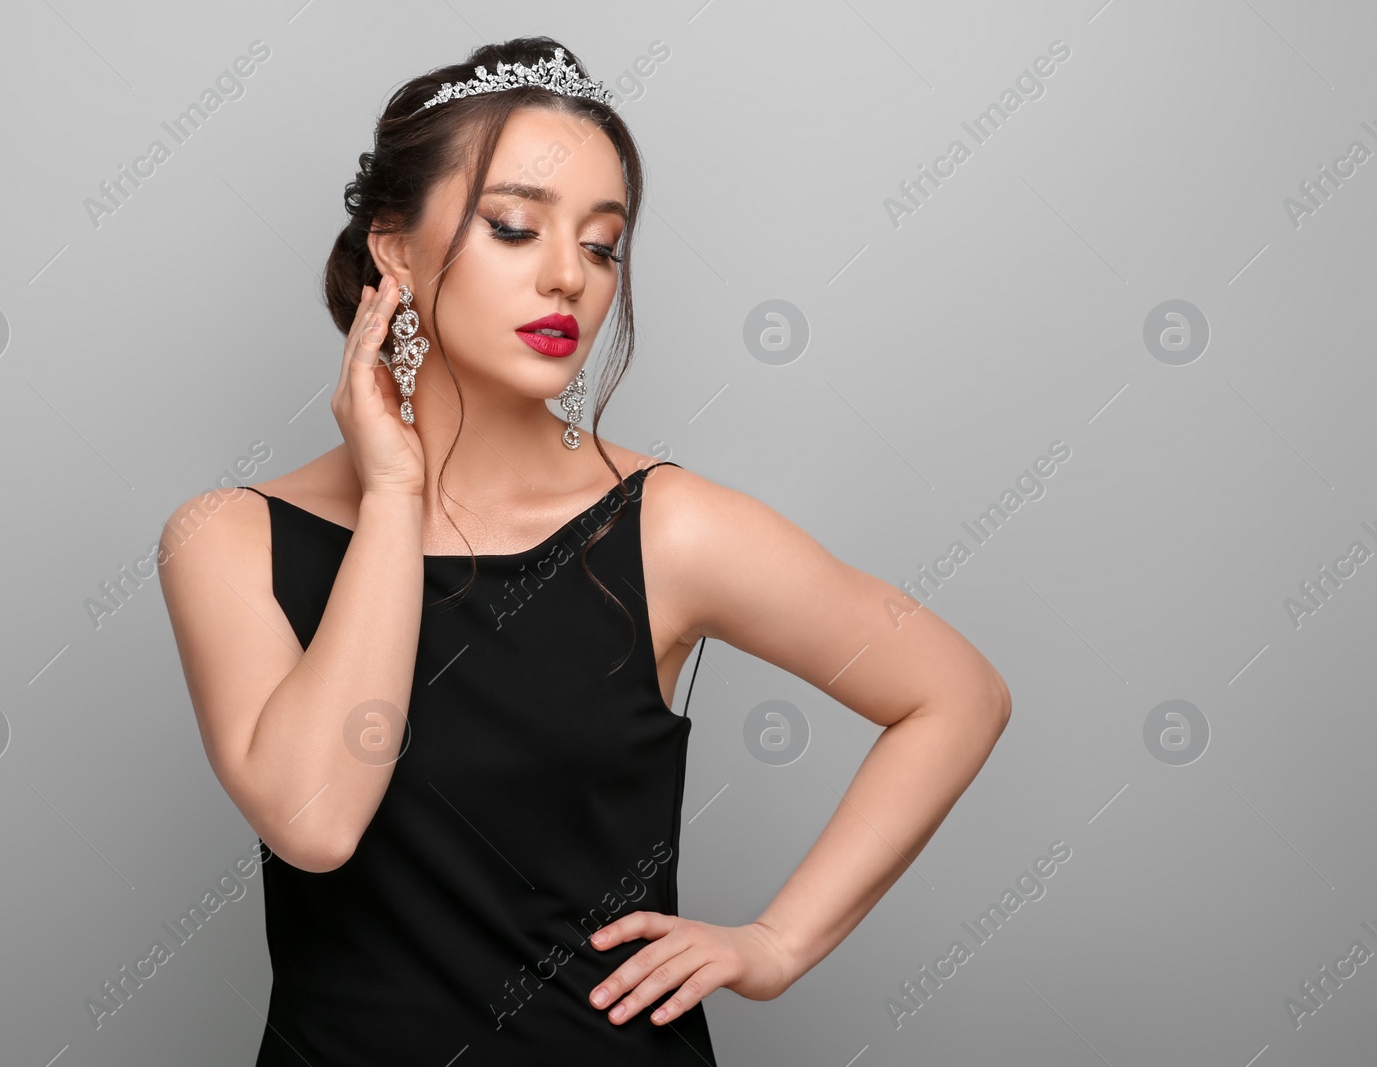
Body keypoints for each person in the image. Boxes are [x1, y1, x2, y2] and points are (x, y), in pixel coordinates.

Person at [158, 36, 1010, 1066]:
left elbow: (953, 693)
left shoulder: (669, 527)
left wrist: (774, 943)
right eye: (514, 228)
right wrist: (392, 490)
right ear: (393, 248)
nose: (568, 276)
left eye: (603, 245)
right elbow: (318, 819)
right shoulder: (227, 538)